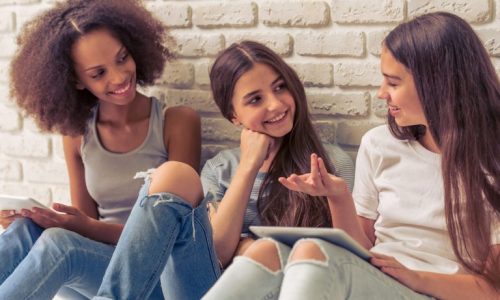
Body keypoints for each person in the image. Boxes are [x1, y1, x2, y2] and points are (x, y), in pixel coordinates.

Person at [204, 12, 500, 300]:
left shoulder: (492, 161)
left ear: (437, 84)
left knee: (310, 250)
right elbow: (360, 249)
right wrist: (338, 196)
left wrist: (415, 277)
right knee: (267, 250)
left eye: (393, 83)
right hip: (378, 279)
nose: (381, 93)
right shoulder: (379, 143)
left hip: (432, 290)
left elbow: (492, 290)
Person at [92, 40, 354, 300]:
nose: (275, 105)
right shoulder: (220, 169)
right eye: (255, 99)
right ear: (234, 116)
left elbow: (349, 257)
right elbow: (215, 254)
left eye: (280, 87)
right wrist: (248, 166)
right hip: (211, 290)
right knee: (174, 175)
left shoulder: (331, 165)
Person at [0, 0, 201, 299]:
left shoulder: (177, 123)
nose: (119, 77)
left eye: (122, 58)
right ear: (76, 81)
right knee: (23, 232)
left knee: (58, 245)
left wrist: (81, 227)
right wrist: (47, 220)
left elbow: (178, 235)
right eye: (98, 73)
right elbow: (84, 227)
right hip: (97, 269)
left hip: (154, 275)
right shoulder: (77, 136)